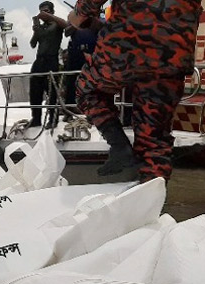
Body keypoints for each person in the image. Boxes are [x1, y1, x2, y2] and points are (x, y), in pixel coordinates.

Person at [71, 0, 202, 182]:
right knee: (154, 141)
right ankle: (152, 201)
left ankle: (119, 146)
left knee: (87, 89)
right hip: (172, 55)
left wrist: (77, 15)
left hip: (124, 48)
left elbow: (87, 5)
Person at [29, 1, 64, 128]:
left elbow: (66, 25)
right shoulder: (41, 28)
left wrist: (50, 18)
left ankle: (52, 119)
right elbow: (32, 44)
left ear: (52, 12)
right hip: (39, 61)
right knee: (35, 92)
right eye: (41, 11)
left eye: (46, 11)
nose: (43, 13)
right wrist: (36, 31)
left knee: (52, 92)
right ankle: (36, 118)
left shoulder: (56, 25)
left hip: (51, 60)